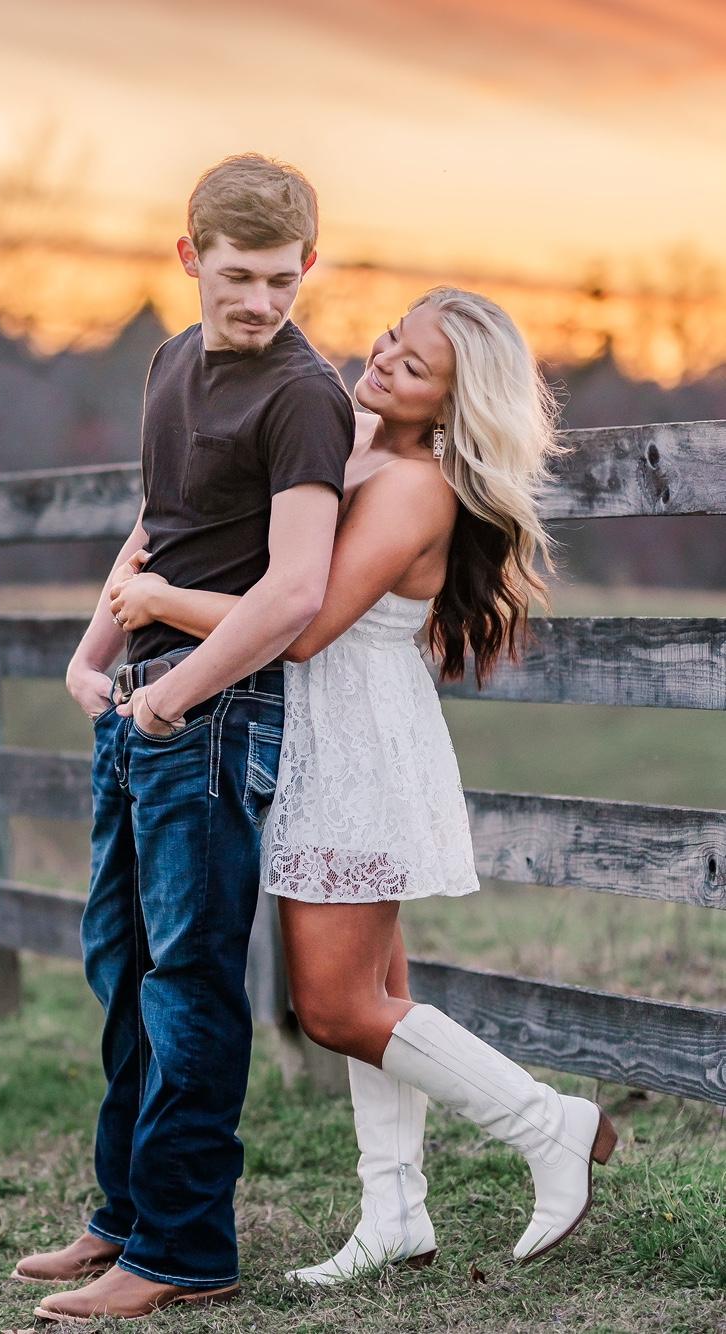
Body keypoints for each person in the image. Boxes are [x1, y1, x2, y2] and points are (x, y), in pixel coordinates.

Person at [106, 286, 617, 1285]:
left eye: (413, 367)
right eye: (391, 338)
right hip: (330, 734)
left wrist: (162, 596)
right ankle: (395, 1211)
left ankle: (547, 1123)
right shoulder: (359, 444)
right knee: (378, 994)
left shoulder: (415, 486)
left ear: (451, 404)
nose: (382, 360)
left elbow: (301, 624)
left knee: (336, 1006)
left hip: (355, 747)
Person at [10, 153, 355, 1323]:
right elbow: (156, 528)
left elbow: (292, 589)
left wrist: (175, 697)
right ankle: (122, 1215)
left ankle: (185, 1244)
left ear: (308, 266)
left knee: (190, 983)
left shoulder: (302, 395)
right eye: (236, 276)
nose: (258, 301)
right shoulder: (167, 363)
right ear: (187, 258)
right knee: (120, 969)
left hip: (215, 715)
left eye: (280, 279)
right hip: (137, 706)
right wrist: (94, 655)